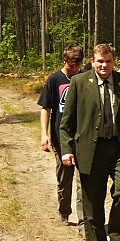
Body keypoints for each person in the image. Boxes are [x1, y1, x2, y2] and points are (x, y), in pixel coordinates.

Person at [59, 44, 120, 241]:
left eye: (108, 61)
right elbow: (67, 121)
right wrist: (67, 150)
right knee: (93, 199)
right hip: (91, 149)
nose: (104, 65)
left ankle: (117, 239)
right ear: (92, 61)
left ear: (114, 61)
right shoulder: (79, 82)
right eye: (100, 61)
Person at [39, 45, 87, 224]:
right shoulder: (54, 80)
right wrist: (44, 134)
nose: (74, 69)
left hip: (83, 138)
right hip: (61, 139)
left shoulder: (86, 77)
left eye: (78, 65)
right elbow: (46, 109)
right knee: (64, 179)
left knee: (84, 182)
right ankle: (64, 211)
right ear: (64, 61)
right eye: (71, 65)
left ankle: (84, 220)